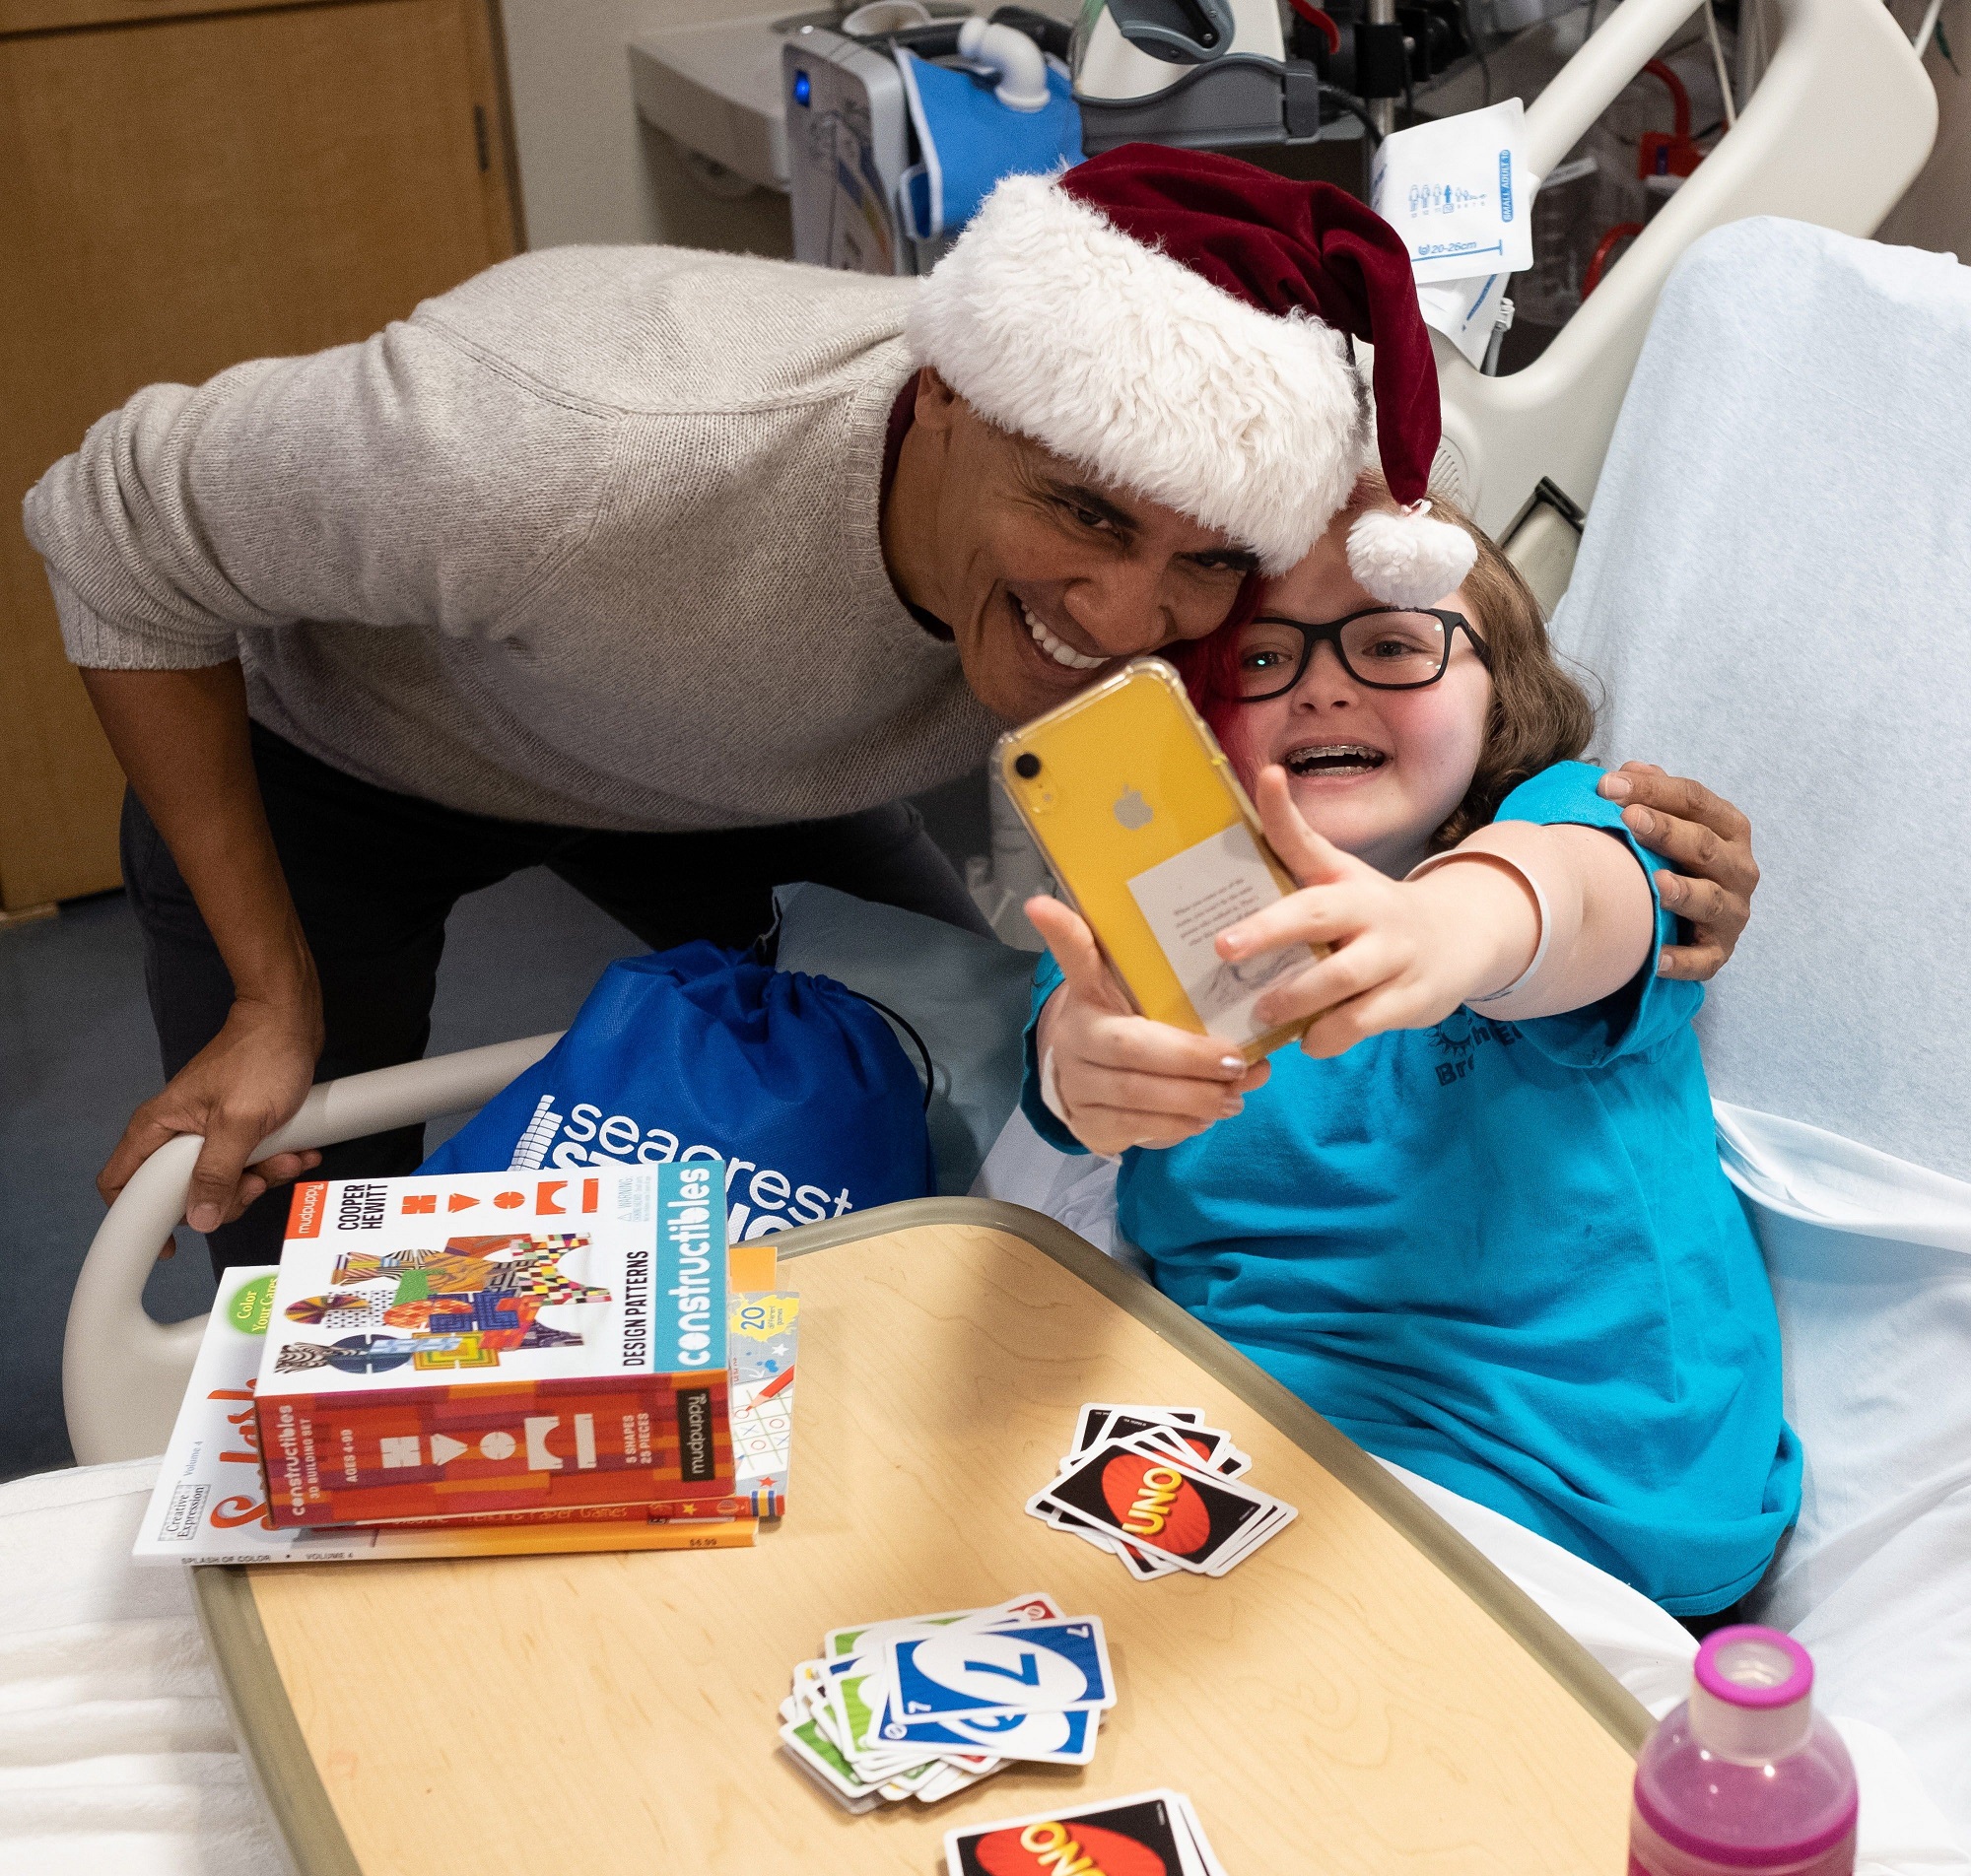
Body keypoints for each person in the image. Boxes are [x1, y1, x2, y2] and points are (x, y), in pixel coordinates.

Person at [23, 145, 1757, 1272]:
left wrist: (1617, 872)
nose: (1129, 620)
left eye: (1203, 565)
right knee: (304, 1254)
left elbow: (1417, 667)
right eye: (1080, 515)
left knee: (995, 1006)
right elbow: (107, 523)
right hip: (352, 756)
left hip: (749, 756)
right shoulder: (545, 450)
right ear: (937, 401)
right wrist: (267, 995)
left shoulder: (1206, 571)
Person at [1024, 482, 1800, 1618]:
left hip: (1587, 1496)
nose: (1322, 682)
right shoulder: (1147, 921)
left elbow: (1573, 901)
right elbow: (1071, 1041)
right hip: (1260, 1455)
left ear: (1502, 696)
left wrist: (1447, 926)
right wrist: (1083, 1069)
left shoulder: (1561, 823)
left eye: (1392, 642)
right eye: (1258, 659)